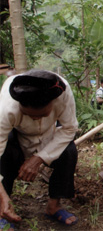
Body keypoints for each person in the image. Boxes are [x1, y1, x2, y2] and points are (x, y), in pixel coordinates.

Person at [0, 70, 79, 229]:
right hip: (17, 136)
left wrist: (39, 158)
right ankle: (2, 209)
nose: (35, 119)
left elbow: (70, 129)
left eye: (42, 115)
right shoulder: (6, 108)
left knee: (69, 151)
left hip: (49, 134)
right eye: (29, 115)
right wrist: (1, 196)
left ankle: (53, 206)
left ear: (53, 102)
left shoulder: (62, 94)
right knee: (6, 156)